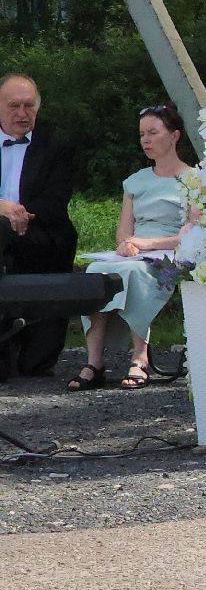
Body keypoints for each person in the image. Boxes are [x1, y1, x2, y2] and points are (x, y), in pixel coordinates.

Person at [69, 103, 193, 390]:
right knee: (96, 271)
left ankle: (140, 357)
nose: (146, 140)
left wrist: (147, 243)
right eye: (142, 135)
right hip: (136, 251)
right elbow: (124, 231)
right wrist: (127, 244)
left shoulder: (193, 180)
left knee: (133, 273)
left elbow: (193, 235)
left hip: (171, 252)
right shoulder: (135, 181)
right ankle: (94, 361)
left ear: (174, 136)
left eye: (153, 133)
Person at [0, 72, 78, 379]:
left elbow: (54, 202)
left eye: (29, 106)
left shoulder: (57, 144)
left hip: (40, 234)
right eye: (14, 106)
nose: (22, 113)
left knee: (35, 367)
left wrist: (14, 214)